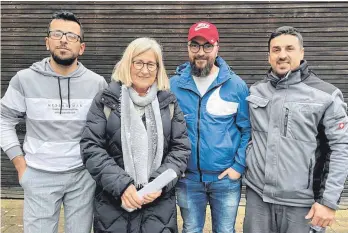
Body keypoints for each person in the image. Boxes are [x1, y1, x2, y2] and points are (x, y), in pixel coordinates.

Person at [0, 11, 107, 233]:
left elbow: (106, 129)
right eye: (57, 34)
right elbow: (4, 119)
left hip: (82, 176)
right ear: (47, 42)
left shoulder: (97, 84)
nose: (64, 40)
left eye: (72, 36)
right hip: (39, 175)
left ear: (82, 47)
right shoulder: (24, 80)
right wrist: (20, 165)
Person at [243, 26, 348, 233]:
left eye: (289, 48)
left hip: (302, 205)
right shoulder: (256, 90)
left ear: (301, 53)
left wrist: (328, 201)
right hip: (258, 199)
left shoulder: (326, 96)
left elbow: (340, 149)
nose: (282, 55)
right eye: (276, 50)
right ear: (269, 56)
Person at [80, 37, 190, 233]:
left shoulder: (169, 103)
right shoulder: (106, 100)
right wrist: (122, 185)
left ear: (158, 69)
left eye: (151, 64)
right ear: (127, 64)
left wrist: (158, 184)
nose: (144, 70)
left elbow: (181, 149)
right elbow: (91, 147)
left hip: (158, 206)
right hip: (114, 203)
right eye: (138, 62)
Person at [170, 21, 251, 233]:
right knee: (191, 230)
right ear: (188, 48)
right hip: (188, 179)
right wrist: (174, 167)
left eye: (207, 45)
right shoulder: (173, 86)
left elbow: (247, 130)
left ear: (217, 48)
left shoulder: (236, 86)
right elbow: (165, 129)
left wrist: (238, 167)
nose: (201, 52)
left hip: (225, 180)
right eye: (194, 45)